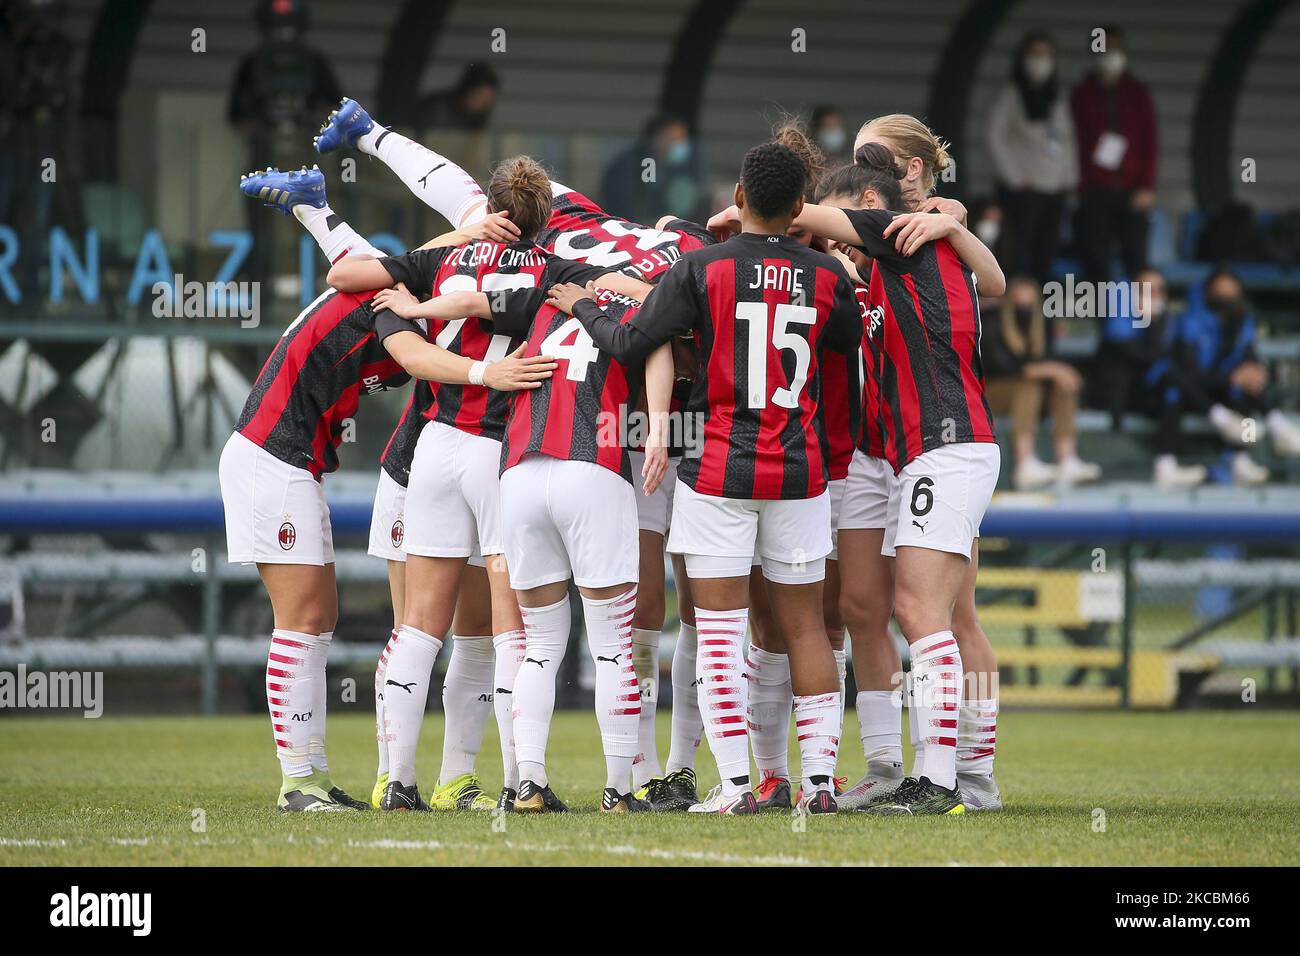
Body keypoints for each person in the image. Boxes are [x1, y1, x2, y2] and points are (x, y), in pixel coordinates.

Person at [314, 95, 715, 810]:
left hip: (460, 448)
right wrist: (659, 425)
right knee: (587, 638)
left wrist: (374, 148)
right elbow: (659, 334)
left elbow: (444, 217)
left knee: (443, 629)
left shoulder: (496, 251)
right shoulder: (595, 269)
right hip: (543, 448)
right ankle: (622, 783)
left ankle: (406, 780)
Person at [220, 166, 555, 812]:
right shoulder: (411, 286)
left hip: (303, 458)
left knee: (334, 619)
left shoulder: (422, 273)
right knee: (309, 619)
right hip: (273, 453)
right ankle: (304, 781)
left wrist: (312, 209)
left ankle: (333, 776)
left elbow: (352, 262)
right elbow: (405, 344)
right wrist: (491, 370)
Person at [573, 139, 864, 815]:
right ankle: (818, 783)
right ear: (802, 208)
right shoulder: (825, 280)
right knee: (806, 632)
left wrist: (583, 303)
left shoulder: (701, 269)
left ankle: (736, 786)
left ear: (737, 198)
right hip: (802, 471)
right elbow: (847, 341)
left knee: (719, 631)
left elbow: (629, 342)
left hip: (720, 468)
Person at [754, 143, 1006, 815]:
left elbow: (800, 214)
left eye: (842, 219)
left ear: (868, 205)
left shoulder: (898, 236)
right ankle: (926, 774)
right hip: (915, 454)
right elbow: (995, 283)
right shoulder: (900, 262)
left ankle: (947, 779)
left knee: (927, 612)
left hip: (946, 445)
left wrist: (748, 214)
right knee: (890, 609)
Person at [1163, 269, 1300, 483]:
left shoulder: (1242, 322)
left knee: (1247, 387)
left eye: (1231, 292)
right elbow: (1188, 371)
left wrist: (1254, 371)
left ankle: (1241, 457)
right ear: (1209, 292)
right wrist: (1230, 378)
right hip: (1195, 394)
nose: (1226, 298)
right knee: (1176, 387)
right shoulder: (1191, 322)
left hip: (1226, 393)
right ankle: (1274, 424)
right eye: (1221, 292)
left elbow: (1249, 357)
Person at [983, 276, 1101, 490]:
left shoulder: (1042, 323)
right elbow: (1003, 366)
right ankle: (1024, 462)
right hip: (991, 393)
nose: (1025, 309)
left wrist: (1057, 373)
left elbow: (1044, 360)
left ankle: (1067, 459)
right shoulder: (993, 320)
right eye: (1019, 303)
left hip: (1031, 394)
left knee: (1061, 385)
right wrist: (1053, 370)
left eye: (1030, 304)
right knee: (1029, 386)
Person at [1094, 268, 1207, 488]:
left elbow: (1179, 362)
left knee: (1172, 389)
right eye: (1146, 290)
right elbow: (1142, 360)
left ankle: (1166, 466)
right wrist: (1149, 323)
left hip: (1156, 395)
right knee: (1169, 377)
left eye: (1158, 290)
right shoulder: (1120, 319)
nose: (1153, 296)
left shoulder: (1169, 322)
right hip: (1120, 397)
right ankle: (1218, 415)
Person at [986, 30, 1077, 284]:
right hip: (1022, 191)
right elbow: (994, 136)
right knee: (1016, 254)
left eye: (1046, 55)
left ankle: (1041, 317)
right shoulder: (1012, 94)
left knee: (1046, 255)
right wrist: (1014, 177)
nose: (1041, 60)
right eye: (1035, 54)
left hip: (1054, 189)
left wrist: (1069, 177)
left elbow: (1067, 137)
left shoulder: (1057, 96)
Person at [1070, 24, 1157, 283]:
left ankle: (1141, 318)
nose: (1111, 54)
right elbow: (1076, 142)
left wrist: (1147, 186)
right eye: (1105, 48)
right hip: (1096, 190)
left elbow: (1150, 143)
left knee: (1137, 259)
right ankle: (1103, 318)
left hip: (1132, 191)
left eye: (1116, 49)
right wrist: (1083, 187)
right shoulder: (1082, 94)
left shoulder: (1138, 93)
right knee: (1096, 259)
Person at [600, 113, 708, 226]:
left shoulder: (669, 167)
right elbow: (626, 207)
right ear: (659, 138)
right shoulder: (630, 165)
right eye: (676, 139)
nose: (681, 145)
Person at [418, 62, 500, 131]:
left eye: (485, 102)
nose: (480, 105)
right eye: (477, 96)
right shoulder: (436, 109)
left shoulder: (477, 118)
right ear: (467, 90)